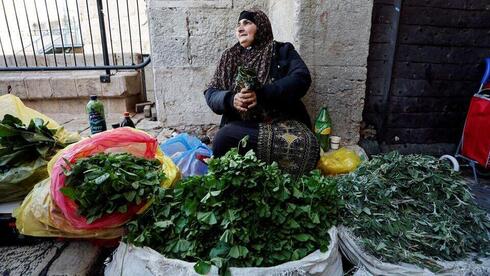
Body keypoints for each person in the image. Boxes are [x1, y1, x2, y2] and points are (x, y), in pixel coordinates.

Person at [204, 9, 319, 176]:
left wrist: (262, 94)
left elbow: (301, 78)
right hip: (245, 126)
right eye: (238, 25)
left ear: (262, 26)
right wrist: (230, 99)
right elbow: (211, 92)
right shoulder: (230, 58)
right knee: (224, 138)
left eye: (247, 23)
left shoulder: (281, 51)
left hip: (282, 123)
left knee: (309, 147)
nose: (240, 28)